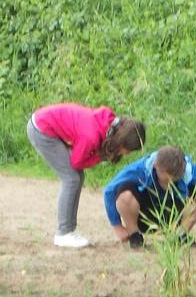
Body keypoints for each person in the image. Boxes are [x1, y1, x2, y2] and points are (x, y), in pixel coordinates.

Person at [27, 103, 145, 248]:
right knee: (71, 179)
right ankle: (63, 233)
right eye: (128, 150)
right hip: (41, 129)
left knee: (77, 178)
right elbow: (77, 162)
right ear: (122, 142)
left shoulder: (111, 125)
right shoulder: (91, 135)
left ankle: (69, 230)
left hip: (46, 123)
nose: (126, 154)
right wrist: (101, 157)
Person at [103, 145, 196, 248]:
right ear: (156, 165)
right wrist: (117, 226)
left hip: (176, 216)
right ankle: (135, 236)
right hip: (145, 216)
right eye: (166, 178)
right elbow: (109, 190)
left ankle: (180, 235)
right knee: (124, 194)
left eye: (175, 178)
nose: (169, 182)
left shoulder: (190, 170)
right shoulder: (140, 168)